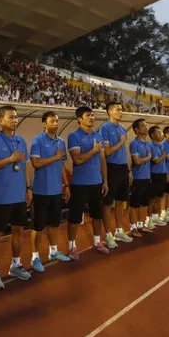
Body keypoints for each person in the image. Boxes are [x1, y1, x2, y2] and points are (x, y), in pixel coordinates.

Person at [0, 105, 32, 291]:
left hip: (19, 196)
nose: (14, 120)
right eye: (10, 117)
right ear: (0, 120)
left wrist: (28, 188)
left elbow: (26, 166)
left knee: (18, 232)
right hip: (1, 198)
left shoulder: (21, 141)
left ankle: (16, 265)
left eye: (16, 117)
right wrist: (10, 160)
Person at [29, 111, 72, 271]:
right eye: (52, 121)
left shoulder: (61, 142)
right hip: (41, 191)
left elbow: (61, 165)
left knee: (54, 224)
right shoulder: (37, 141)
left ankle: (53, 252)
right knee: (38, 227)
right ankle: (35, 258)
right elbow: (36, 163)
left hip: (56, 191)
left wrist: (66, 185)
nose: (56, 123)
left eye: (57, 121)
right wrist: (55, 157)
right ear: (44, 123)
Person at [68, 106, 111, 255]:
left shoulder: (98, 136)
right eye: (88, 115)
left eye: (92, 115)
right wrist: (93, 151)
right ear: (79, 119)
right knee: (75, 216)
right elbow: (77, 159)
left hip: (97, 182)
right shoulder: (74, 136)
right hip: (80, 183)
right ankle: (72, 247)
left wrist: (105, 180)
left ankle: (97, 242)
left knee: (97, 215)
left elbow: (102, 160)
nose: (92, 118)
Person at [99, 102, 133, 244]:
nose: (121, 111)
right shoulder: (104, 128)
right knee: (107, 203)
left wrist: (128, 170)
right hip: (111, 167)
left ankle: (119, 231)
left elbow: (123, 151)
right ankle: (108, 234)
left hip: (122, 168)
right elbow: (106, 152)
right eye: (118, 109)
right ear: (109, 112)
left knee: (121, 201)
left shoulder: (123, 128)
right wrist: (120, 142)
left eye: (121, 109)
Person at [129, 118, 156, 234]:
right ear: (136, 129)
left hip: (146, 177)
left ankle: (141, 224)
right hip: (138, 178)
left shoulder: (148, 143)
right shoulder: (134, 144)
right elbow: (137, 161)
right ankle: (133, 227)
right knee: (134, 204)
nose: (146, 128)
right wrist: (148, 158)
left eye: (146, 126)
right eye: (143, 126)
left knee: (144, 203)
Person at [149, 126, 169, 225]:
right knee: (152, 198)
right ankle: (148, 218)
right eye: (158, 132)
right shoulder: (150, 146)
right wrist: (163, 155)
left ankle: (155, 216)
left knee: (159, 197)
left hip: (162, 174)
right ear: (152, 135)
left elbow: (163, 162)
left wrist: (166, 173)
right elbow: (156, 160)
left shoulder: (161, 146)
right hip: (154, 174)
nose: (160, 134)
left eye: (161, 132)